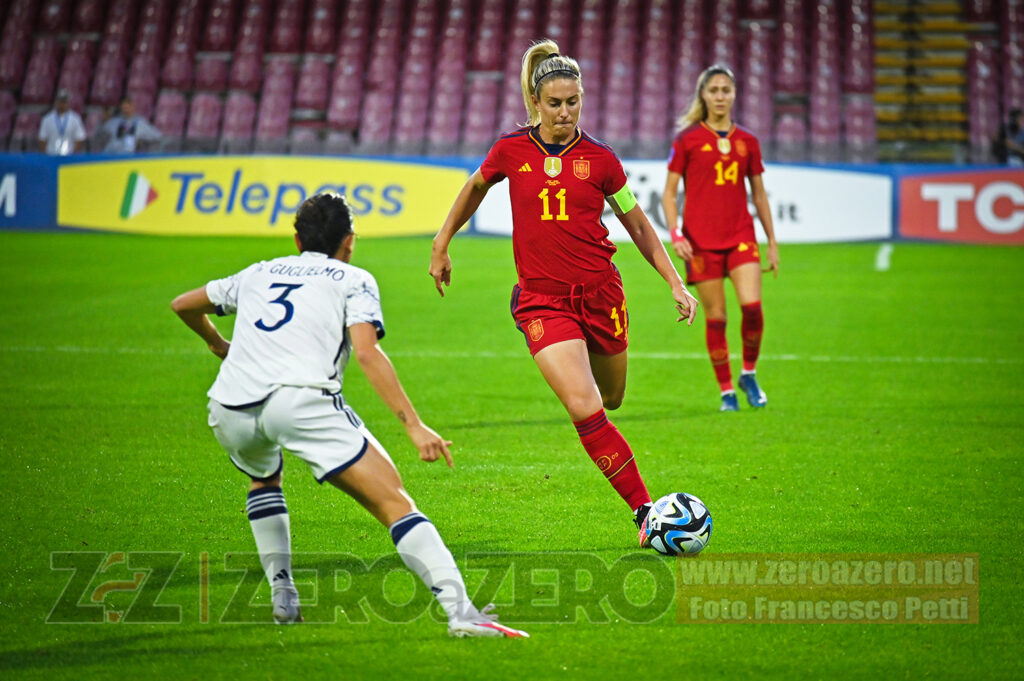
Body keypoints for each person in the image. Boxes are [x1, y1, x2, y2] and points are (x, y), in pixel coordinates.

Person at [171, 192, 527, 638]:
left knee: (263, 477)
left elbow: (183, 304)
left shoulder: (257, 273)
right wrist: (414, 426)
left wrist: (218, 345)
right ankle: (462, 612)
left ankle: (283, 598)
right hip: (301, 401)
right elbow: (366, 353)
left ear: (297, 239)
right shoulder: (353, 278)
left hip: (230, 405)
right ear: (350, 241)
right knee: (394, 502)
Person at [430, 40, 698, 548]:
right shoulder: (510, 150)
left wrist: (674, 281)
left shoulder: (600, 160)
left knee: (612, 398)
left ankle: (632, 483)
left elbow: (636, 224)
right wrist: (442, 242)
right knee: (584, 403)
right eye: (555, 103)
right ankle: (645, 513)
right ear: (536, 103)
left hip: (601, 295)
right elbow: (475, 187)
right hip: (542, 302)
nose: (565, 112)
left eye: (573, 102)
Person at [661, 64, 779, 412]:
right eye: (713, 90)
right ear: (704, 95)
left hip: (741, 235)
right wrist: (675, 233)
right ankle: (727, 391)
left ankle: (749, 373)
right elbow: (668, 194)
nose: (720, 96)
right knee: (717, 318)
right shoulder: (687, 140)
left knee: (753, 308)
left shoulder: (748, 142)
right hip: (700, 241)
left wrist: (771, 241)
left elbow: (759, 195)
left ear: (734, 94)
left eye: (726, 90)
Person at [37, 89, 86, 155]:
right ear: (56, 102)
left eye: (64, 102)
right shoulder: (47, 119)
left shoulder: (75, 119)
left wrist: (73, 154)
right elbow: (42, 138)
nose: (62, 104)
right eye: (60, 102)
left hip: (69, 155)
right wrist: (47, 154)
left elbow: (80, 138)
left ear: (68, 103)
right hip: (52, 155)